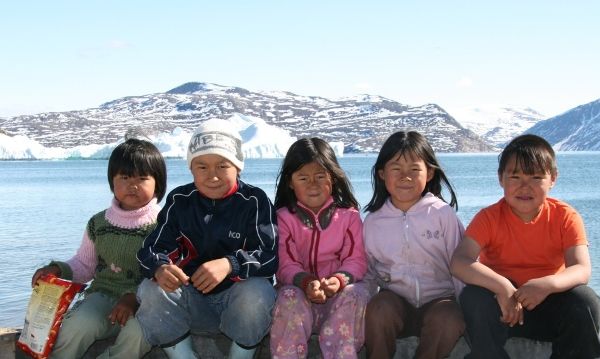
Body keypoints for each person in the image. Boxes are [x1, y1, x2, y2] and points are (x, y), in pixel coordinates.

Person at [450, 134, 600, 358]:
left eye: (535, 177)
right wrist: (502, 287)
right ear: (501, 178)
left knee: (586, 302)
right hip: (504, 311)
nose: (525, 187)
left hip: (549, 305)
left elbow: (582, 269)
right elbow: (460, 262)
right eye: (515, 176)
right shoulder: (488, 218)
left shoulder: (565, 216)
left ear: (552, 179)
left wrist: (547, 285)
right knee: (474, 298)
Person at [135, 119, 278, 359]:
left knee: (258, 292)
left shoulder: (255, 201)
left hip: (236, 304)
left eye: (222, 166)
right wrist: (160, 267)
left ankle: (239, 355)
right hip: (190, 302)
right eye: (202, 167)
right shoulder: (180, 200)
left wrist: (229, 264)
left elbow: (270, 256)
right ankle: (184, 355)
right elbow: (150, 250)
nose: (212, 175)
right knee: (150, 289)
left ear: (238, 167)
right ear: (191, 169)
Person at [29, 138, 167, 358]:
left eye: (142, 178)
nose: (133, 185)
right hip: (102, 296)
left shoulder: (164, 224)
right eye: (124, 178)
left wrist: (134, 298)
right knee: (78, 325)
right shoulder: (98, 223)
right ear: (112, 182)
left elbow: (165, 276)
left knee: (138, 336)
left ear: (157, 183)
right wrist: (57, 270)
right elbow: (84, 265)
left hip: (147, 304)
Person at [363, 130, 466, 359]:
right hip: (396, 302)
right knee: (379, 309)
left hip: (440, 301)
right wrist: (360, 306)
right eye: (396, 168)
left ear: (429, 173)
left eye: (414, 169)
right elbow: (369, 272)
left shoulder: (442, 214)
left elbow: (461, 266)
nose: (405, 176)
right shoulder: (373, 222)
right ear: (382, 173)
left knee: (449, 318)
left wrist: (469, 309)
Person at [270, 138, 369, 359]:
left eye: (320, 176)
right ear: (290, 182)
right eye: (303, 178)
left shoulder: (349, 217)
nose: (312, 184)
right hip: (300, 295)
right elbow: (284, 263)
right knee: (287, 295)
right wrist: (305, 282)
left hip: (338, 298)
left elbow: (357, 260)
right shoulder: (283, 218)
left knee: (357, 292)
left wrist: (339, 280)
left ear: (332, 179)